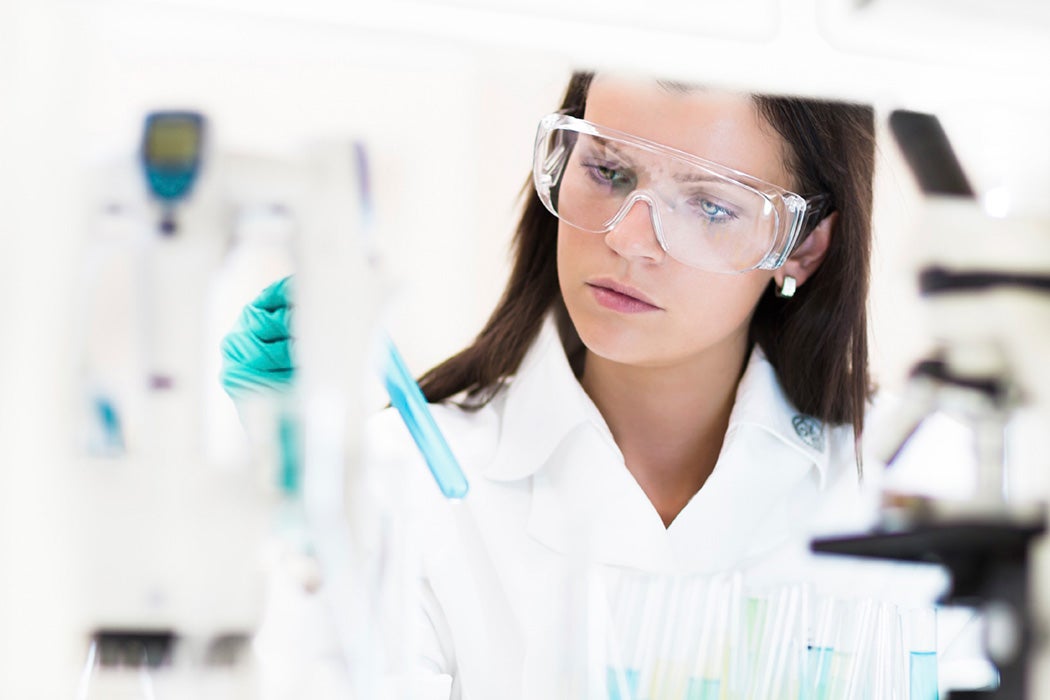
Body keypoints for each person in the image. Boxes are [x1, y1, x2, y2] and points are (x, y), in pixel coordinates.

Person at [221, 72, 948, 698]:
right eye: (609, 172)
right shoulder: (405, 479)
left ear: (803, 246)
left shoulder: (901, 490)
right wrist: (298, 488)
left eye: (711, 205)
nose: (629, 240)